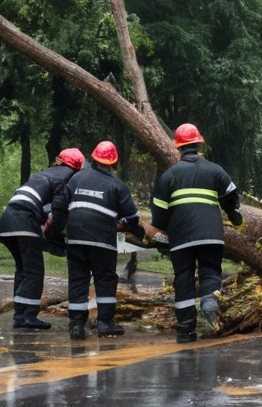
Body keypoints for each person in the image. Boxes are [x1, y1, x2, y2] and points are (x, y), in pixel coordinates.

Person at [150, 124, 242, 343]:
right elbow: (231, 195)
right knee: (210, 271)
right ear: (199, 144)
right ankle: (210, 303)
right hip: (211, 233)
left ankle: (185, 329)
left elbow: (158, 210)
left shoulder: (168, 176)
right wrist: (233, 214)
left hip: (181, 237)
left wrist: (162, 230)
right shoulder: (215, 170)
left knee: (184, 279)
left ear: (178, 148)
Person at [57, 141, 145, 340]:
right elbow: (131, 219)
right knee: (105, 279)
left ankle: (77, 325)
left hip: (76, 239)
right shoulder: (118, 186)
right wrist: (138, 231)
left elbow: (61, 205)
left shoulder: (76, 178)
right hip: (102, 241)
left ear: (94, 158)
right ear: (113, 164)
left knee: (78, 280)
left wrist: (56, 232)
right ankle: (105, 323)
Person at [0, 148, 84, 330]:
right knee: (34, 271)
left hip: (7, 219)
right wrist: (54, 234)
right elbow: (59, 209)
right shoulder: (67, 178)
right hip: (24, 220)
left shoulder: (43, 173)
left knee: (23, 269)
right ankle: (29, 316)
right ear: (77, 167)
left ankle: (19, 315)